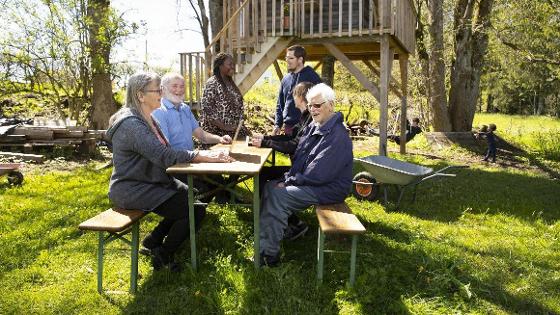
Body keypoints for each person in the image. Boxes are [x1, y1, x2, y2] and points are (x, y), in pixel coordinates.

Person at [106, 72, 234, 272]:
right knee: (194, 209)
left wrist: (201, 155)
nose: (161, 93)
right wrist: (202, 156)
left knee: (193, 198)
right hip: (132, 188)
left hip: (150, 181)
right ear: (140, 95)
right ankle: (164, 255)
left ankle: (152, 241)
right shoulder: (132, 124)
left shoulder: (145, 117)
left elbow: (164, 153)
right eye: (157, 90)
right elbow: (163, 155)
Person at [259, 83, 353, 267]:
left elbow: (318, 173)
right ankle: (278, 234)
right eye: (310, 105)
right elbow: (301, 156)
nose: (313, 109)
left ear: (331, 105)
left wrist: (289, 182)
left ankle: (268, 256)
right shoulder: (316, 125)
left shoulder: (338, 136)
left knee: (278, 195)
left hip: (328, 188)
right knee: (270, 186)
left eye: (317, 105)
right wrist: (287, 179)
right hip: (316, 181)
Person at [152, 72, 232, 203]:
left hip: (190, 160)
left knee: (217, 178)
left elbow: (201, 135)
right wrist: (198, 157)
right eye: (175, 86)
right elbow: (165, 150)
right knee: (203, 188)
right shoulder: (159, 111)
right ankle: (193, 213)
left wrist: (220, 139)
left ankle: (223, 203)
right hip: (173, 166)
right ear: (163, 88)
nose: (179, 90)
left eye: (182, 86)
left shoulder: (185, 108)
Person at [251, 81, 315, 241]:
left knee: (266, 181)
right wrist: (265, 138)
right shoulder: (304, 117)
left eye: (295, 95)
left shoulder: (311, 120)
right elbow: (288, 137)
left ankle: (293, 223)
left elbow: (292, 146)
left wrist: (265, 143)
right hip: (300, 169)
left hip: (304, 173)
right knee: (262, 173)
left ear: (301, 97)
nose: (293, 99)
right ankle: (266, 217)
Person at [273, 45, 322, 136]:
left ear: (300, 60)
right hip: (288, 127)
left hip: (306, 128)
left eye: (291, 58)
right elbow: (280, 104)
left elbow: (322, 101)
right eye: (286, 58)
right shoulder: (285, 79)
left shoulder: (312, 76)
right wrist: (277, 125)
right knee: (288, 148)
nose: (287, 60)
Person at [200, 52, 250, 140]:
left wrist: (239, 124)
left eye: (233, 64)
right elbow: (208, 110)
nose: (233, 67)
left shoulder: (231, 83)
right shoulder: (212, 83)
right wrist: (225, 127)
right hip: (218, 134)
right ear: (220, 66)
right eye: (230, 64)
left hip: (234, 131)